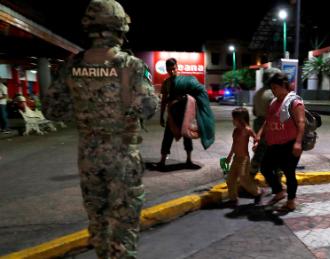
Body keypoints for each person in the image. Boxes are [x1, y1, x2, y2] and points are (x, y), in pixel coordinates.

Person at [41, 0, 159, 258]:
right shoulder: (131, 65)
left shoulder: (73, 65)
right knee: (124, 226)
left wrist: (84, 109)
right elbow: (149, 106)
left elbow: (52, 109)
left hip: (89, 157)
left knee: (99, 223)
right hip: (122, 156)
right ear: (120, 28)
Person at [255, 72, 305, 212]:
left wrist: (298, 143)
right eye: (272, 88)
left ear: (284, 86)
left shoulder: (295, 102)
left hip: (290, 143)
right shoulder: (273, 102)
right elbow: (268, 121)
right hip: (274, 144)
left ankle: (291, 200)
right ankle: (279, 191)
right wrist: (259, 135)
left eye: (275, 88)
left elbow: (301, 123)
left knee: (289, 172)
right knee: (265, 167)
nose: (273, 91)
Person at [158, 58, 215, 169]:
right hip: (172, 114)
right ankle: (162, 160)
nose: (172, 71)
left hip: (185, 113)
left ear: (177, 67)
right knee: (167, 137)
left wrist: (183, 98)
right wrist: (161, 116)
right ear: (166, 69)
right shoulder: (166, 83)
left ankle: (189, 160)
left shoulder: (186, 81)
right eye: (169, 69)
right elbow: (164, 100)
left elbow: (197, 93)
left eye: (173, 69)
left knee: (187, 136)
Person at [224, 107, 264, 207]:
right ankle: (233, 199)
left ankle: (258, 192)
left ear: (240, 119)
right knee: (230, 179)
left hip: (244, 159)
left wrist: (256, 144)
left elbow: (256, 138)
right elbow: (234, 144)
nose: (232, 121)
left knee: (243, 179)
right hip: (236, 159)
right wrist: (229, 156)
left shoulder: (247, 130)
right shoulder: (235, 131)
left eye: (234, 119)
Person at [249, 67, 280, 176]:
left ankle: (251, 173)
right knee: (275, 151)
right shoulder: (272, 95)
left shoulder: (258, 93)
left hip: (258, 124)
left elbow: (254, 111)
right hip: (268, 125)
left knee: (260, 150)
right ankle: (276, 177)